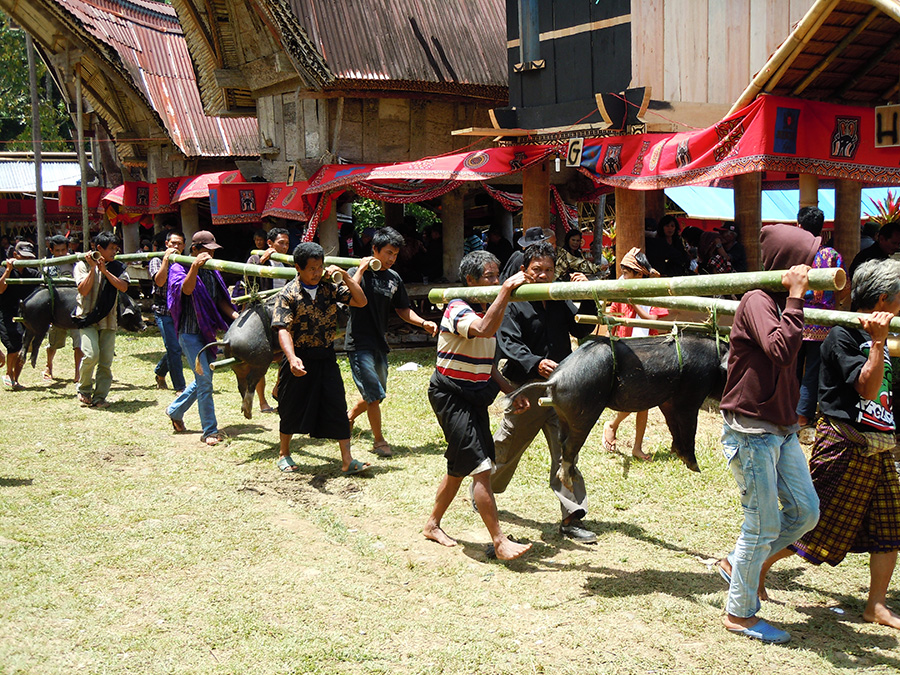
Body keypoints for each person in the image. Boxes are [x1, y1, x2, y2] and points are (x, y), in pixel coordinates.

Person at [755, 259, 900, 630]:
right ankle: (752, 567)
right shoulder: (844, 335)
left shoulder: (890, 336)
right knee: (813, 525)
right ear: (883, 300)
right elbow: (867, 387)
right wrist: (878, 344)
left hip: (880, 445)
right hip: (846, 444)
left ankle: (876, 605)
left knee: (890, 529)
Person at [715, 223, 822, 644]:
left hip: (781, 428)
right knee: (761, 524)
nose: (812, 270)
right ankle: (739, 614)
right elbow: (780, 350)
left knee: (806, 511)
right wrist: (796, 297)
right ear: (787, 265)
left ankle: (736, 562)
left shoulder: (781, 304)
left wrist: (794, 301)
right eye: (806, 262)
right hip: (752, 429)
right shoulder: (757, 300)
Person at [423, 250, 533, 561]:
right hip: (450, 396)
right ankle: (499, 541)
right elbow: (483, 329)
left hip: (473, 394)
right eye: (489, 277)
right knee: (481, 469)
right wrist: (506, 291)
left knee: (460, 465)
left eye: (498, 276)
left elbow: (488, 363)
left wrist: (510, 390)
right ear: (470, 281)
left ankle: (432, 524)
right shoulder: (457, 309)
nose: (496, 281)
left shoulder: (489, 310)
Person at [491, 241, 598, 542]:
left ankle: (571, 517)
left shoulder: (557, 297)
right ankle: (482, 490)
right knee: (507, 446)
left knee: (566, 450)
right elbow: (508, 343)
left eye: (549, 270)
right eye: (537, 270)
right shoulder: (514, 300)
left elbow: (580, 328)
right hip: (527, 389)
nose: (543, 275)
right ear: (525, 270)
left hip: (562, 388)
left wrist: (588, 295)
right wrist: (535, 362)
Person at [271, 242, 371, 475]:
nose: (317, 273)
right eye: (312, 269)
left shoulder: (330, 288)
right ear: (298, 267)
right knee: (290, 405)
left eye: (320, 267)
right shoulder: (287, 294)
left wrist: (345, 276)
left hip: (326, 356)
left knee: (337, 404)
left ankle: (347, 459)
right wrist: (292, 358)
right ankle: (284, 453)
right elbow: (282, 329)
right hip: (299, 358)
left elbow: (360, 301)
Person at [346, 227, 438, 457]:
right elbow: (349, 297)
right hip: (359, 343)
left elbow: (403, 309)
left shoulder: (393, 278)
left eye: (395, 254)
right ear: (374, 250)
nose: (391, 258)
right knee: (374, 395)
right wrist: (359, 270)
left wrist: (422, 322)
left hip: (379, 342)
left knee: (376, 392)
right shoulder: (356, 272)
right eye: (388, 253)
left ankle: (346, 419)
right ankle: (379, 441)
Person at [165, 230, 239, 445]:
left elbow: (220, 300)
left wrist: (237, 318)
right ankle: (210, 430)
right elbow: (185, 291)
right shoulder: (179, 267)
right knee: (205, 381)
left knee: (203, 379)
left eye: (212, 251)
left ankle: (175, 410)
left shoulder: (213, 271)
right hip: (189, 333)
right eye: (205, 251)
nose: (210, 255)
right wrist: (195, 267)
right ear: (194, 250)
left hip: (208, 332)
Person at [602, 248, 667, 462]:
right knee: (637, 398)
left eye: (627, 273)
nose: (623, 277)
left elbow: (652, 320)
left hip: (649, 348)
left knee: (645, 401)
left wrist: (633, 302)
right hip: (627, 349)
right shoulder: (622, 291)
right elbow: (611, 313)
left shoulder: (653, 291)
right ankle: (613, 425)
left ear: (639, 274)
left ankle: (636, 446)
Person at [796, 207, 845, 438]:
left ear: (799, 226)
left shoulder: (794, 250)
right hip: (822, 322)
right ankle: (803, 416)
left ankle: (786, 411)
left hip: (794, 316)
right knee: (813, 369)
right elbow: (839, 288)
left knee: (790, 366)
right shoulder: (832, 255)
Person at [73, 232, 130, 407]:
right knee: (91, 354)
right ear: (99, 248)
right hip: (87, 318)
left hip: (108, 319)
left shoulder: (117, 267)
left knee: (105, 361)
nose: (114, 251)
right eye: (111, 248)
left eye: (116, 248)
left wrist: (105, 271)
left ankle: (100, 397)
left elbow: (124, 286)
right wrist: (93, 269)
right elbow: (83, 290)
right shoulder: (82, 265)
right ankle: (84, 389)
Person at [244, 227, 291, 413]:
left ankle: (279, 389)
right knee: (259, 359)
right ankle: (262, 402)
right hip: (261, 314)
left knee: (287, 355)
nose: (285, 247)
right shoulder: (255, 259)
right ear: (270, 243)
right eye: (281, 243)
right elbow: (248, 282)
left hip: (281, 314)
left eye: (287, 243)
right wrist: (263, 263)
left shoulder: (288, 264)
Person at [0, 241, 41, 389]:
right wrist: (8, 271)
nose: (26, 260)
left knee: (24, 346)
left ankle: (15, 379)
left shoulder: (33, 273)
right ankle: (8, 374)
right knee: (14, 344)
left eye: (29, 257)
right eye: (23, 257)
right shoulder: (4, 269)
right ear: (15, 255)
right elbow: (0, 289)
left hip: (26, 314)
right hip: (6, 312)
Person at [43, 235, 83, 382]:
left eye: (63, 250)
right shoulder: (47, 266)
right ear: (51, 250)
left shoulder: (76, 263)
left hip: (74, 308)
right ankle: (48, 366)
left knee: (78, 342)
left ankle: (78, 373)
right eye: (57, 250)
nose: (61, 254)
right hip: (57, 310)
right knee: (53, 342)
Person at [150, 230, 186, 393]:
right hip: (163, 310)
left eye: (179, 244)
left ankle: (160, 372)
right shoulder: (156, 260)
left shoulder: (185, 261)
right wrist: (166, 259)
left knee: (179, 347)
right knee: (173, 347)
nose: (176, 246)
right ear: (166, 244)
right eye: (173, 243)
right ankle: (180, 386)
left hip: (180, 311)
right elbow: (159, 281)